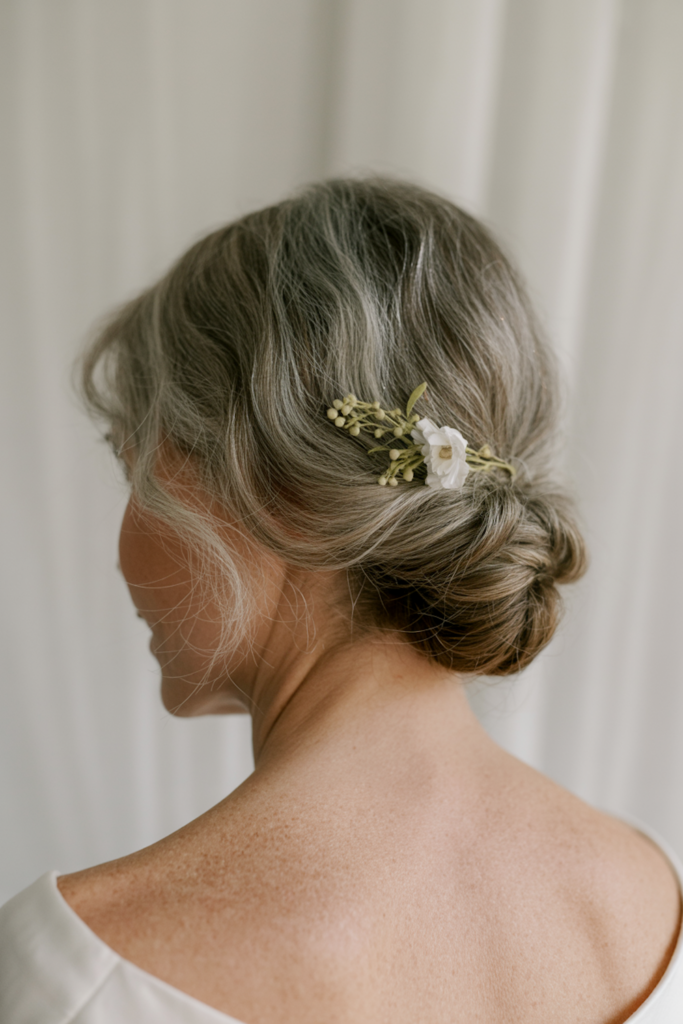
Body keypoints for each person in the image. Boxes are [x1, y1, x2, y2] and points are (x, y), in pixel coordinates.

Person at [1, 178, 681, 1024]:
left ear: (269, 487)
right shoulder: (654, 908)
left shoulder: (81, 976)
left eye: (136, 468)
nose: (123, 542)